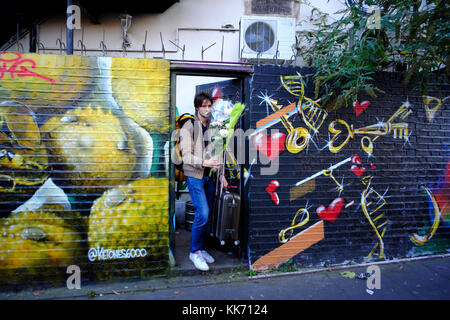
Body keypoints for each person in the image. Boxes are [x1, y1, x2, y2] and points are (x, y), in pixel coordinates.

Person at [179, 92, 228, 271]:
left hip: (210, 176)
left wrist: (221, 174)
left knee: (209, 214)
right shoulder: (189, 126)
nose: (207, 109)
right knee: (203, 213)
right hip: (195, 175)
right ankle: (194, 252)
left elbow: (217, 152)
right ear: (197, 107)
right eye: (204, 106)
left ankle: (200, 248)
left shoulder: (215, 127)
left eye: (209, 106)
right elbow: (186, 156)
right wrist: (204, 162)